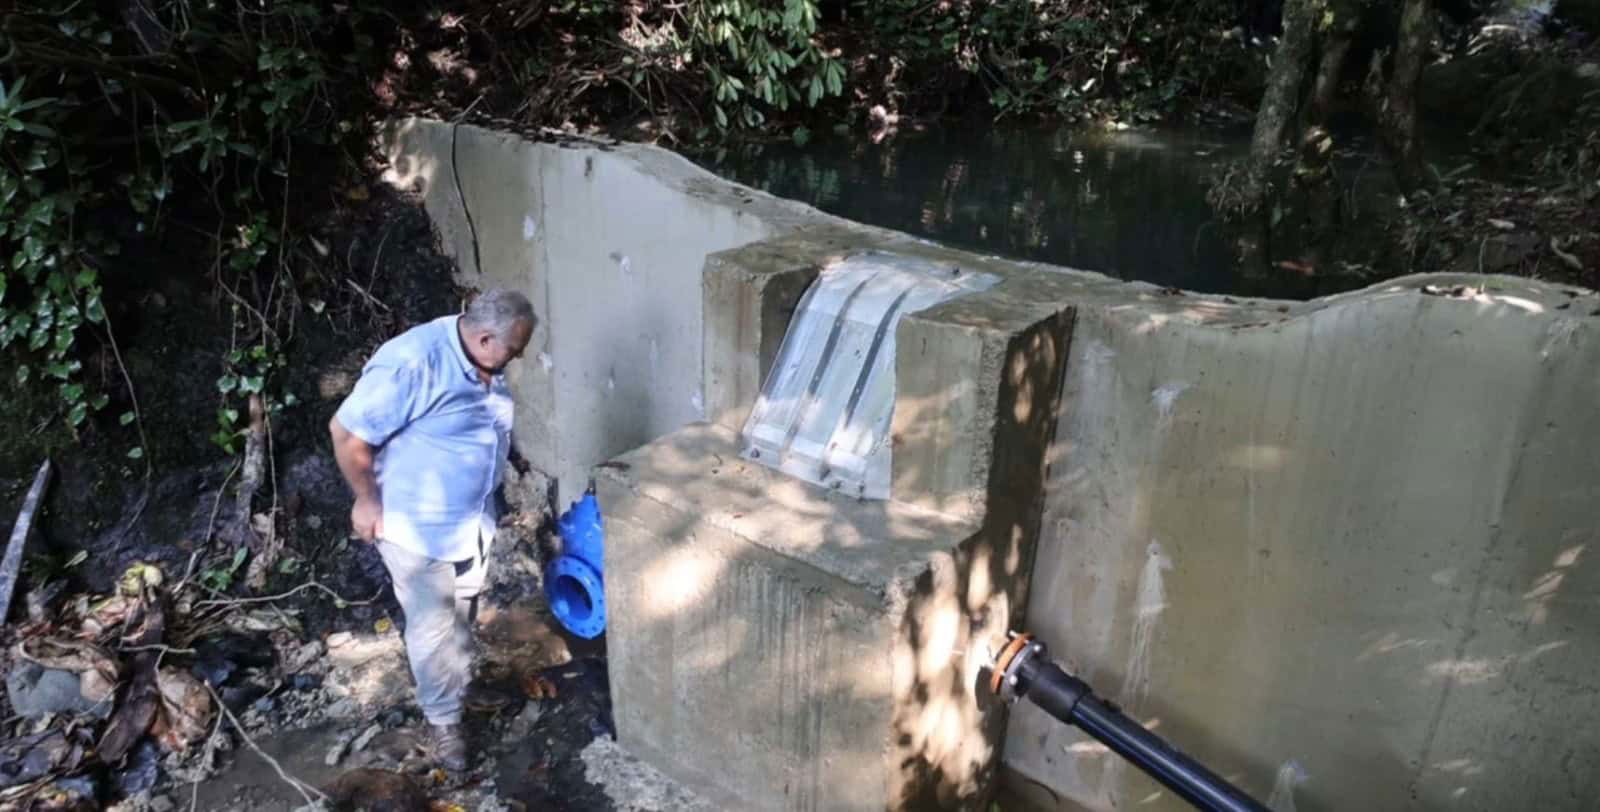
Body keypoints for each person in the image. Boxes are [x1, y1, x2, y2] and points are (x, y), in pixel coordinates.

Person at [328, 288, 536, 771]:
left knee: (464, 607)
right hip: (418, 530)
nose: (518, 358)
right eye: (515, 350)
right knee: (432, 626)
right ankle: (443, 723)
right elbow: (346, 433)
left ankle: (458, 684)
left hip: (470, 520)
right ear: (484, 337)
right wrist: (365, 500)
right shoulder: (412, 364)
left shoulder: (484, 359)